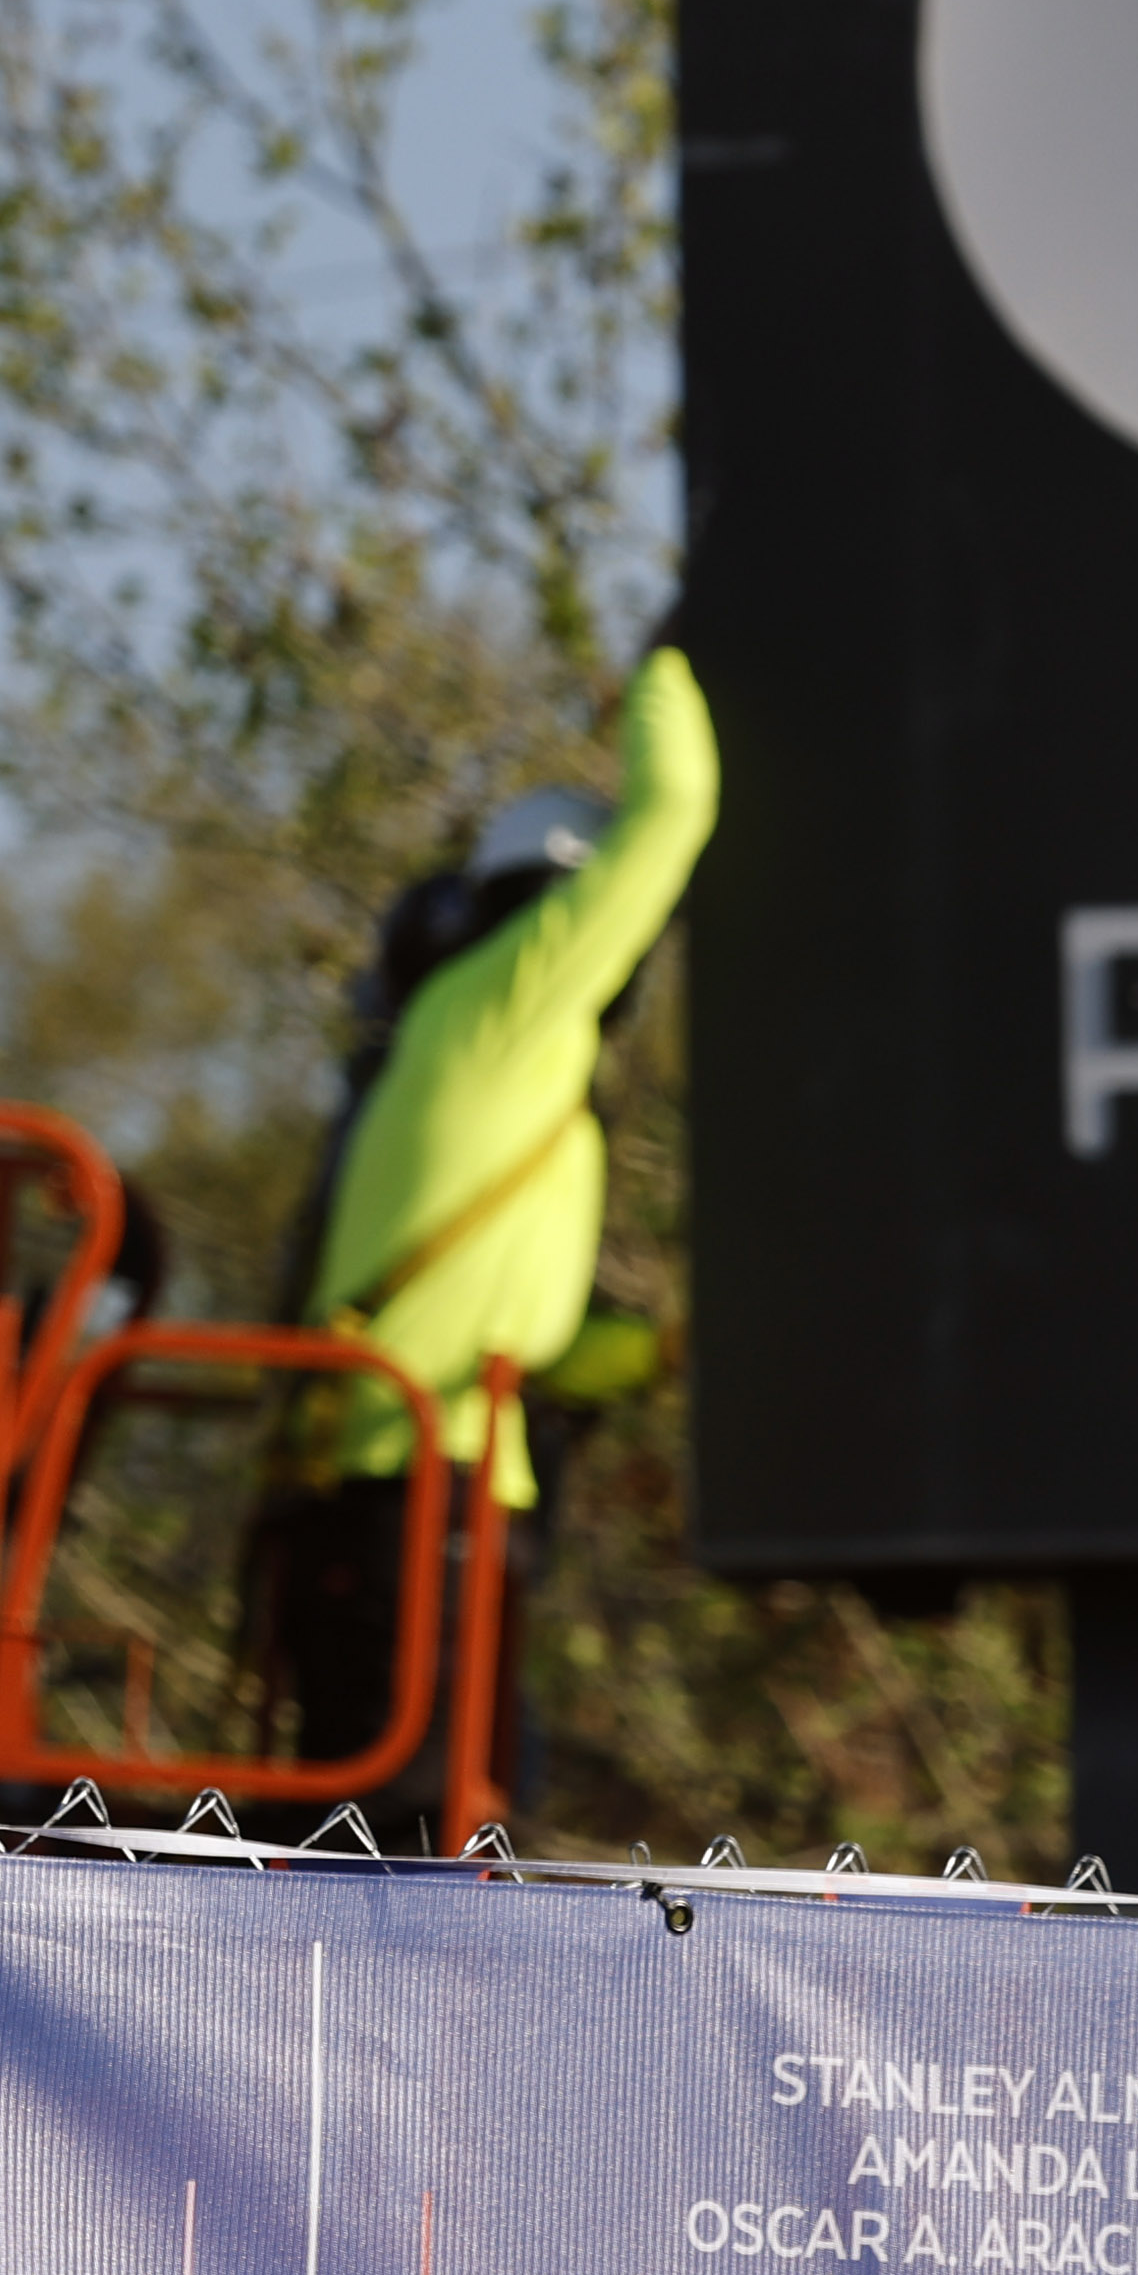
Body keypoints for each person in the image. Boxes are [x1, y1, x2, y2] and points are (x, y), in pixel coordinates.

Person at [260, 645, 717, 1826]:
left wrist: (658, 1351)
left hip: (426, 1494)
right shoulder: (502, 1005)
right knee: (419, 1847)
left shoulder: (503, 1066)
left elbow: (524, 1336)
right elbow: (673, 813)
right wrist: (674, 654)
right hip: (411, 1495)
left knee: (447, 1828)